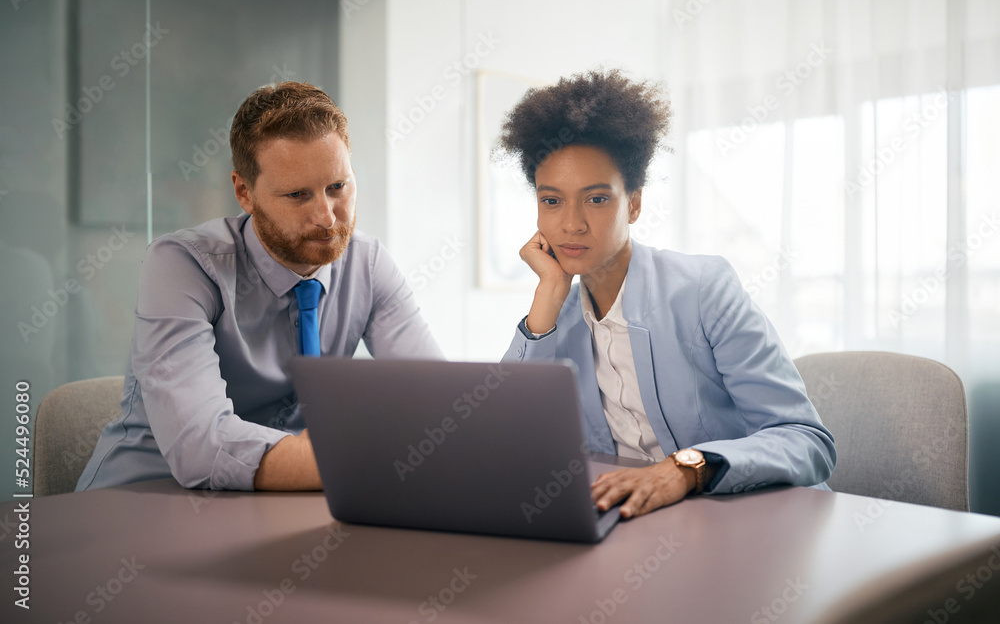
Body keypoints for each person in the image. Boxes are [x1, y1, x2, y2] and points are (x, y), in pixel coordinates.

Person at [499, 69, 836, 519]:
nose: (571, 224)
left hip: (748, 521)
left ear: (633, 203)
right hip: (635, 525)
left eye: (597, 199)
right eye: (551, 201)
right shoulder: (556, 314)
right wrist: (549, 294)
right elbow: (504, 439)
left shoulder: (702, 290)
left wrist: (684, 469)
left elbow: (806, 440)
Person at [78, 81, 442, 492]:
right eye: (298, 195)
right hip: (142, 502)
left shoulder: (368, 264)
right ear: (244, 192)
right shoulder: (182, 265)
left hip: (285, 502)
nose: (326, 217)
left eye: (337, 187)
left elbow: (435, 404)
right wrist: (371, 455)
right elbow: (201, 446)